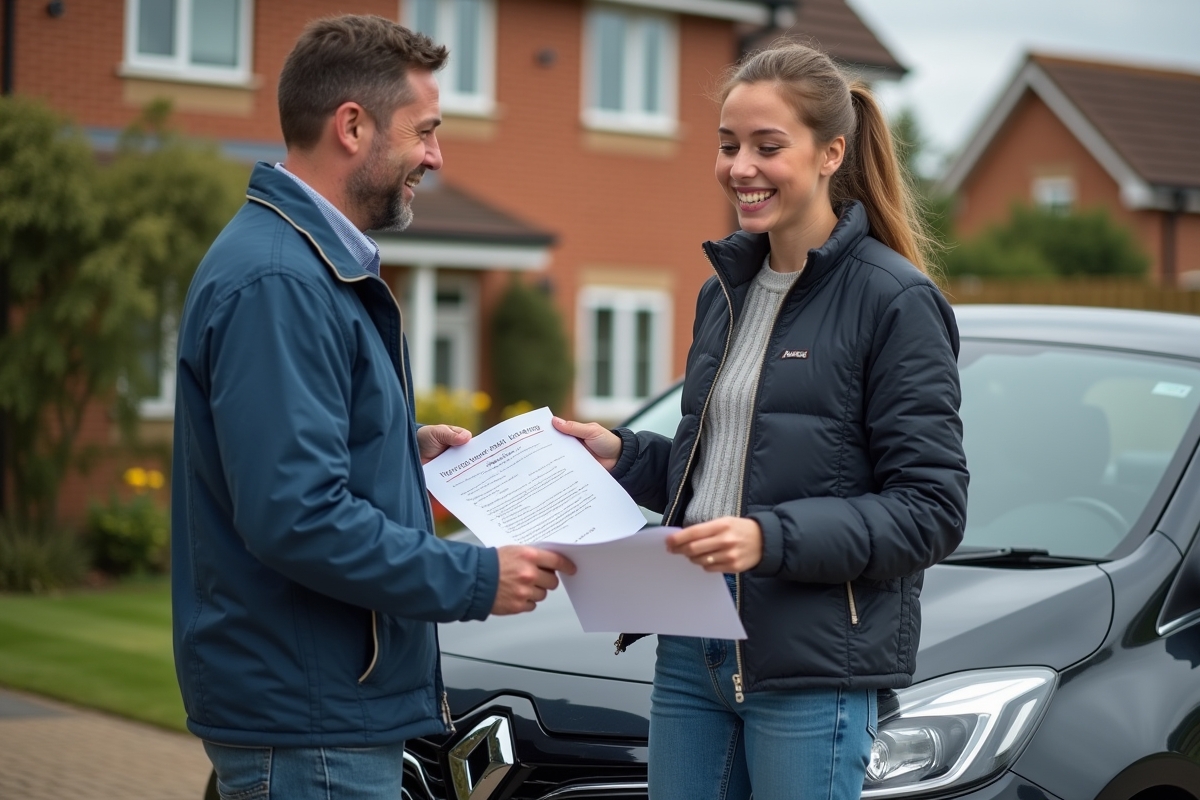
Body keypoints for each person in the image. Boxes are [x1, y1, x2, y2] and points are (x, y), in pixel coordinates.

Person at [171, 15, 573, 800]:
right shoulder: (282, 283)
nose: (436, 155)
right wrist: (475, 579)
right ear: (351, 126)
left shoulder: (306, 266)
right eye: (424, 131)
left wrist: (394, 448)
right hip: (310, 715)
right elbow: (297, 516)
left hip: (316, 704)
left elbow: (296, 462)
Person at [552, 42, 968, 800]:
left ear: (829, 153)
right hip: (691, 647)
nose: (740, 166)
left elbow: (930, 513)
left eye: (767, 146)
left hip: (810, 663)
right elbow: (714, 467)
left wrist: (768, 538)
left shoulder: (894, 302)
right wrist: (623, 454)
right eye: (728, 144)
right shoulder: (726, 293)